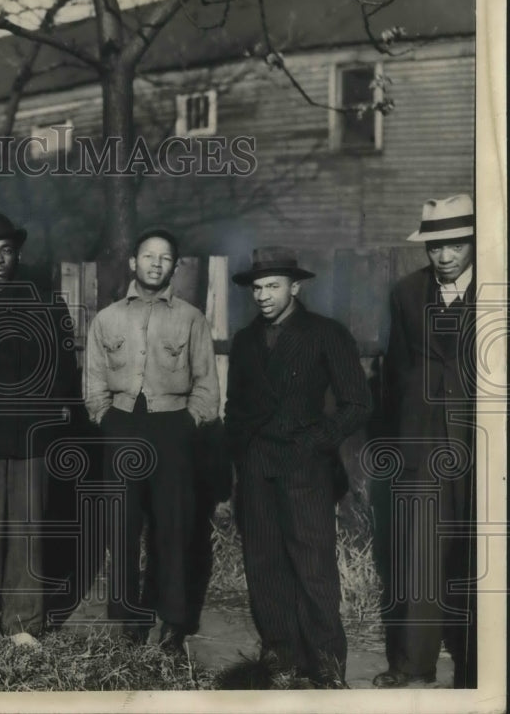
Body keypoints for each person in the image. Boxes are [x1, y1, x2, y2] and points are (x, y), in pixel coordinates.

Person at [224, 247, 371, 688]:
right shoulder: (246, 340)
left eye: (272, 286)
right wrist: (240, 455)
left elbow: (357, 403)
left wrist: (315, 442)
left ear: (295, 287)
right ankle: (281, 662)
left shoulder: (325, 333)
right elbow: (235, 407)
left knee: (313, 571)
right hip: (256, 469)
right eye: (257, 288)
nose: (263, 296)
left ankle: (326, 670)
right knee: (264, 569)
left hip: (305, 470)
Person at [84, 226, 220, 652]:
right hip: (122, 427)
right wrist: (108, 422)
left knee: (174, 530)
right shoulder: (107, 319)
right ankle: (127, 623)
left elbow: (207, 388)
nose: (155, 264)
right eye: (148, 256)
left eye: (165, 258)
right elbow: (93, 384)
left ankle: (174, 624)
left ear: (175, 267)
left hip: (172, 431)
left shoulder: (191, 318)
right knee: (122, 529)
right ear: (133, 262)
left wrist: (185, 425)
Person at [0, 210, 79, 648]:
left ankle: (24, 623)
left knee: (28, 527)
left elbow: (65, 364)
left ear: (18, 253)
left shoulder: (46, 301)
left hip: (31, 433)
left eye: (6, 250)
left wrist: (55, 410)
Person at [373, 194, 477, 689]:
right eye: (436, 245)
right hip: (422, 444)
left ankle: (478, 664)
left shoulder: (497, 289)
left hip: (483, 445)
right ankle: (413, 664)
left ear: (474, 241)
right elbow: (394, 371)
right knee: (421, 551)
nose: (446, 255)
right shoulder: (407, 293)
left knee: (480, 552)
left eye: (456, 243)